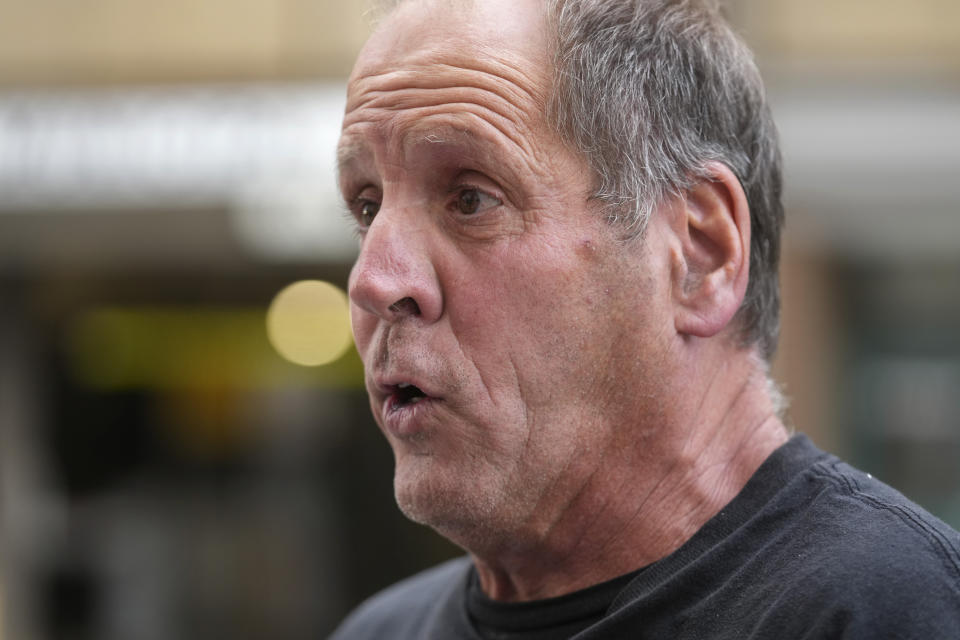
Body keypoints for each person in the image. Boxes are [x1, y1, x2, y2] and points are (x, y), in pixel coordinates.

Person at [330, 0, 960, 637]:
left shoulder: (891, 613)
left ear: (699, 254)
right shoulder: (379, 631)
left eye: (471, 199)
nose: (373, 281)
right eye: (366, 206)